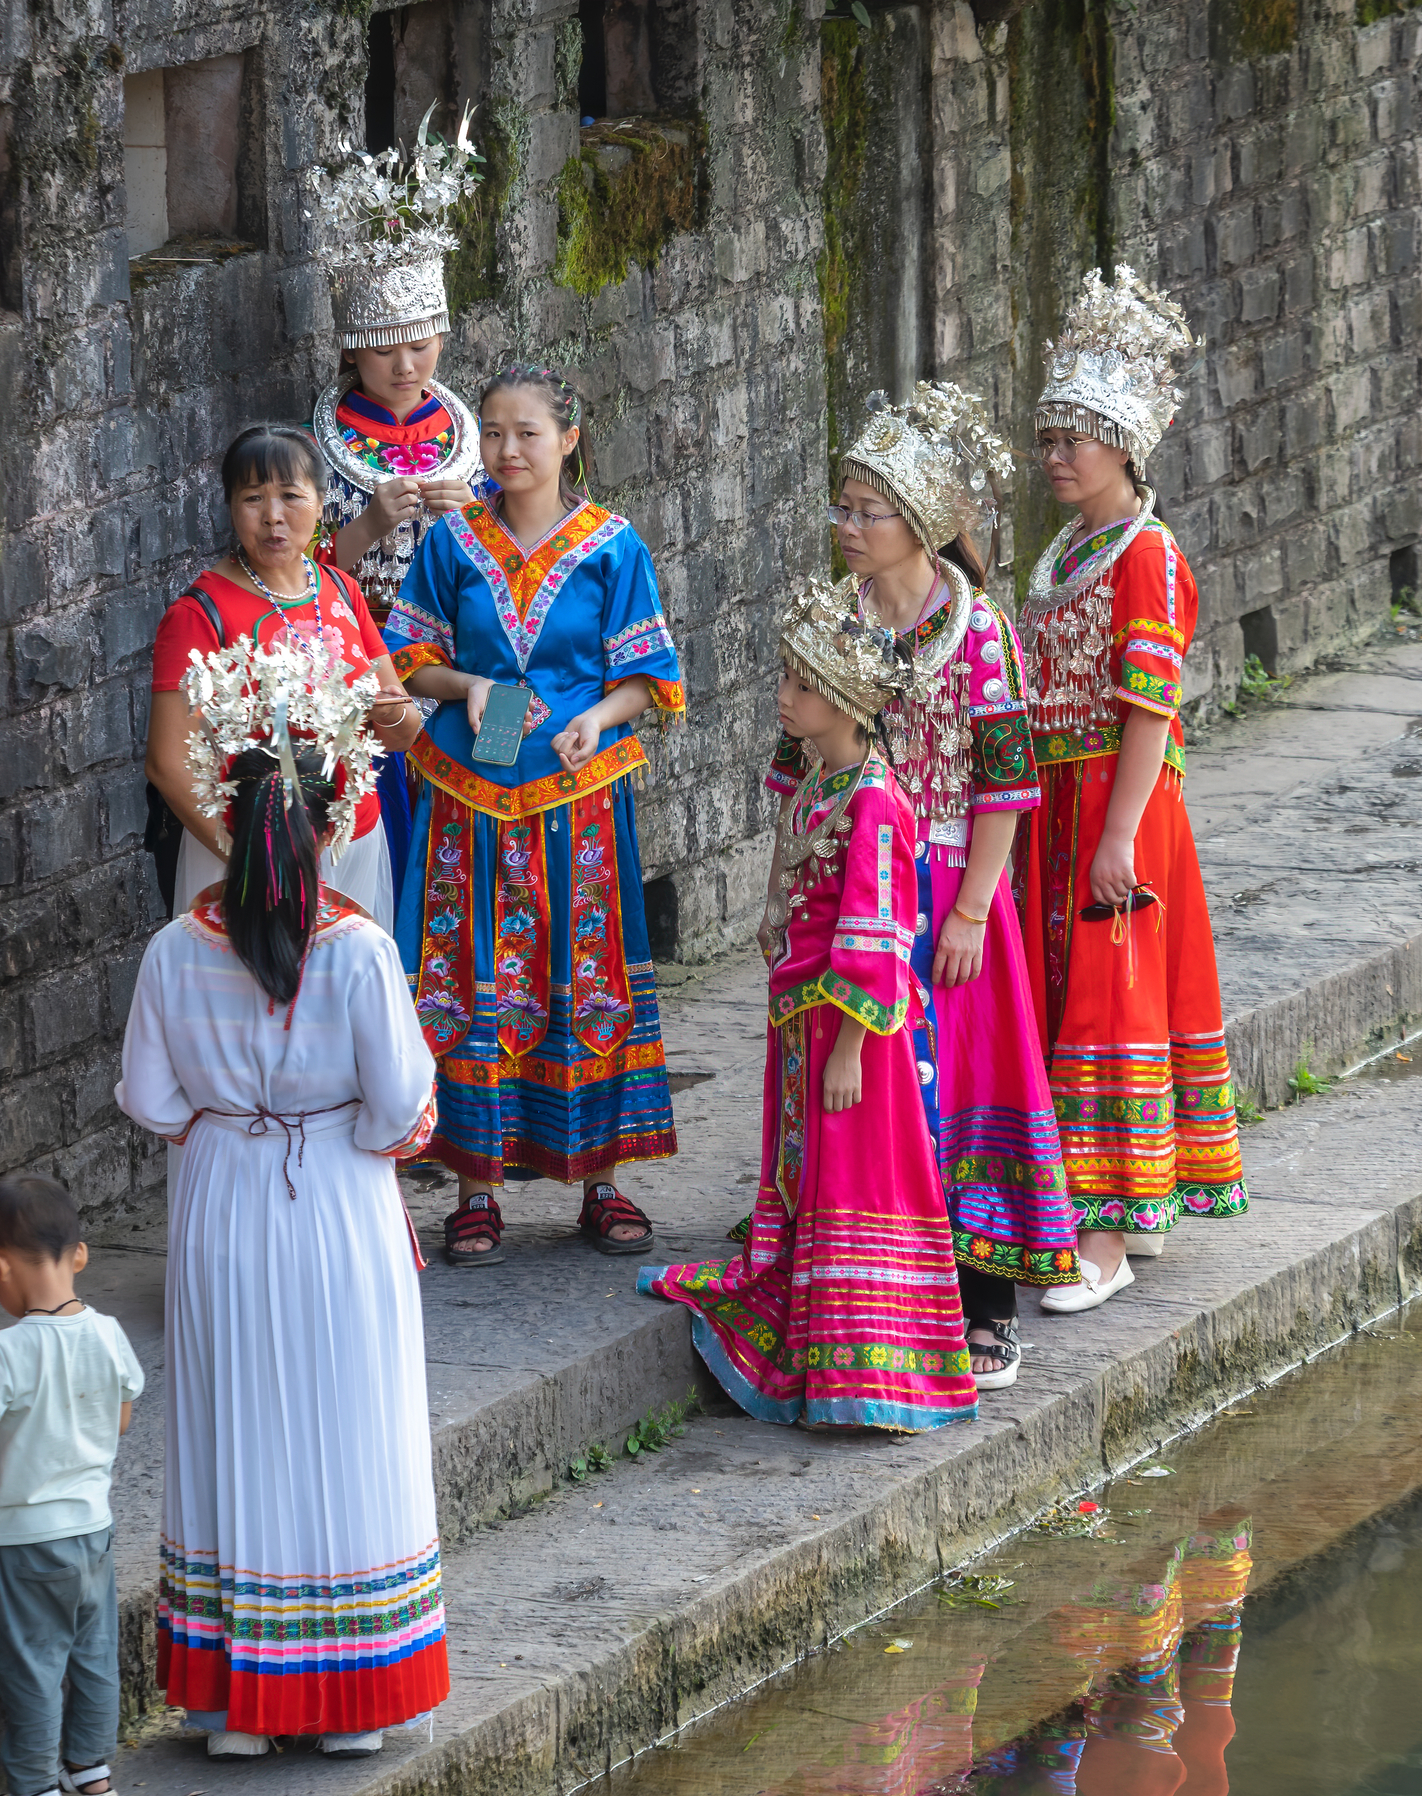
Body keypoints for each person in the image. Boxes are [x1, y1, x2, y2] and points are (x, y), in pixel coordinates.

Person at [117, 667, 447, 1757]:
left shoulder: (173, 952)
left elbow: (152, 1100)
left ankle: (231, 1711)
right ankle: (350, 1702)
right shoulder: (357, 951)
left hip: (221, 1200)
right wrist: (343, 1124)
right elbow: (400, 1108)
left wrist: (230, 1121)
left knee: (233, 1427)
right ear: (328, 817)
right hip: (338, 1206)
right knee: (346, 1425)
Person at [778, 384, 1080, 1392]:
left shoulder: (978, 632)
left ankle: (984, 1300)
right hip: (859, 878)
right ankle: (881, 1287)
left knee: (967, 1085)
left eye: (865, 512)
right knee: (876, 1090)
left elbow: (1006, 780)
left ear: (916, 527)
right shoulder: (842, 618)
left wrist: (964, 909)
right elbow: (799, 759)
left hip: (950, 879)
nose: (848, 528)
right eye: (844, 508)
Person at [641, 577, 976, 1433]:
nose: (783, 700)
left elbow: (877, 925)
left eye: (798, 686)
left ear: (843, 700)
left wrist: (849, 1049)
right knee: (809, 1166)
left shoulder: (871, 799)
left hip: (850, 1031)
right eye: (786, 682)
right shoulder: (821, 781)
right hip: (804, 1017)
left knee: (856, 1169)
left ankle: (870, 1366)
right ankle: (823, 1339)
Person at [388, 364, 684, 1265]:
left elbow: (649, 674)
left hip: (576, 800)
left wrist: (597, 717)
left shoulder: (611, 546)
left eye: (526, 433)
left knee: (584, 970)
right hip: (471, 799)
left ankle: (602, 1174)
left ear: (569, 438)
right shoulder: (452, 543)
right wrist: (470, 684)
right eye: (492, 432)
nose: (507, 450)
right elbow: (409, 655)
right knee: (473, 967)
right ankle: (477, 1189)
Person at [1018, 267, 1250, 1315]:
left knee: (1111, 998)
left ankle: (1105, 1232)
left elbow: (1148, 707)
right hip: (1053, 801)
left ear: (1124, 442)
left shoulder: (1147, 554)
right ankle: (1114, 1200)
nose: (1055, 456)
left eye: (1074, 437)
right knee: (1071, 993)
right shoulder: (1070, 545)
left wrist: (1117, 837)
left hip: (1118, 802)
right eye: (1049, 437)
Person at [303, 108, 489, 890]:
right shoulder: (319, 444)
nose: (405, 364)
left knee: (491, 809)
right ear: (352, 348)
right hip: (370, 666)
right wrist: (374, 520)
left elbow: (513, 553)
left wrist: (470, 519)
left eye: (421, 344)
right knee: (392, 838)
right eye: (384, 350)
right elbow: (307, 572)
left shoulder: (471, 433)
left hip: (470, 654)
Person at [145, 425, 424, 930]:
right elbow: (168, 763)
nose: (273, 515)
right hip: (246, 855)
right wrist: (257, 860)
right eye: (253, 497)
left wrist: (390, 712)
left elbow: (403, 731)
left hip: (352, 841)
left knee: (344, 997)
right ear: (231, 506)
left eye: (291, 496)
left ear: (321, 503)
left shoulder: (340, 589)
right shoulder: (200, 614)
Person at [0, 1176, 144, 1796]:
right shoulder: (109, 1333)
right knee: (93, 1655)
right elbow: (119, 1420)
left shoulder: (2, 1350)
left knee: (30, 1667)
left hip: (25, 1541)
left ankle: (32, 1794)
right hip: (94, 1530)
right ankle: (91, 1770)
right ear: (79, 1255)